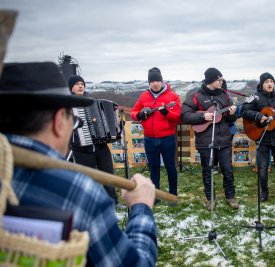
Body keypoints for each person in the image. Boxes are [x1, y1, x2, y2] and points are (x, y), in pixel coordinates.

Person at [0, 62, 157, 266]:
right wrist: (142, 206)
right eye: (73, 122)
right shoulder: (81, 193)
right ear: (59, 122)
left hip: (99, 149)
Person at [181, 67, 239, 210]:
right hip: (205, 141)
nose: (221, 82)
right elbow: (185, 115)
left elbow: (231, 119)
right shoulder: (196, 96)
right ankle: (210, 198)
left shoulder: (225, 96)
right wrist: (202, 116)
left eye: (221, 79)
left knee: (227, 169)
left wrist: (232, 113)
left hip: (224, 139)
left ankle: (230, 196)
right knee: (207, 170)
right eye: (219, 79)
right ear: (211, 80)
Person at [130, 67, 181, 204]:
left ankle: (172, 196)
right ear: (149, 82)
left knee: (170, 167)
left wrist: (166, 113)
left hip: (167, 138)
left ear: (162, 80)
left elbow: (178, 118)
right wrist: (139, 115)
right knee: (154, 168)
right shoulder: (144, 96)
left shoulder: (172, 96)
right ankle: (155, 195)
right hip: (149, 138)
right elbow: (134, 112)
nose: (155, 83)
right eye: (152, 81)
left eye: (158, 80)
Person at [68, 74, 120, 207]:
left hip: (100, 146)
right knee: (88, 180)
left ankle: (113, 201)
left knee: (108, 174)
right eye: (77, 84)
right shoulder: (67, 105)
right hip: (82, 149)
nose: (80, 86)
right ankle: (90, 205)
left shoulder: (92, 101)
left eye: (82, 84)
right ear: (70, 87)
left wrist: (115, 122)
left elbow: (103, 120)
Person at [241, 72, 275, 202]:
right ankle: (264, 192)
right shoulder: (255, 97)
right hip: (262, 137)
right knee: (262, 167)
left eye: (271, 81)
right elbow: (244, 110)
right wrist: (258, 116)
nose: (269, 84)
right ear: (262, 84)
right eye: (266, 82)